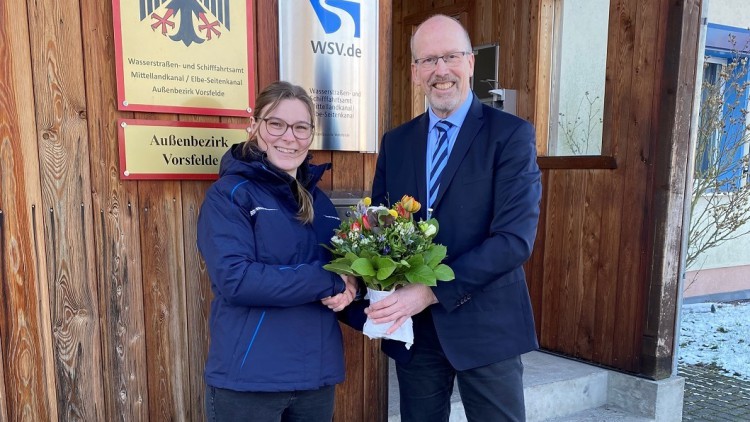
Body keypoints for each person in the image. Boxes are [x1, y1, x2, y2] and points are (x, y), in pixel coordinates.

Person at [366, 14, 542, 422]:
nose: (440, 70)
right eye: (428, 60)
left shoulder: (510, 136)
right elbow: (380, 225)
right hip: (417, 333)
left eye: (450, 57)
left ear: (470, 63)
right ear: (414, 72)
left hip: (487, 323)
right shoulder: (397, 142)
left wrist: (428, 291)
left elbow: (514, 240)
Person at [197, 80, 358, 422]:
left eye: (301, 127)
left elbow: (342, 273)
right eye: (276, 124)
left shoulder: (322, 204)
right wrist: (328, 281)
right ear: (253, 126)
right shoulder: (230, 195)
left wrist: (351, 287)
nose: (289, 137)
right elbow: (236, 280)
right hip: (251, 381)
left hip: (316, 377)